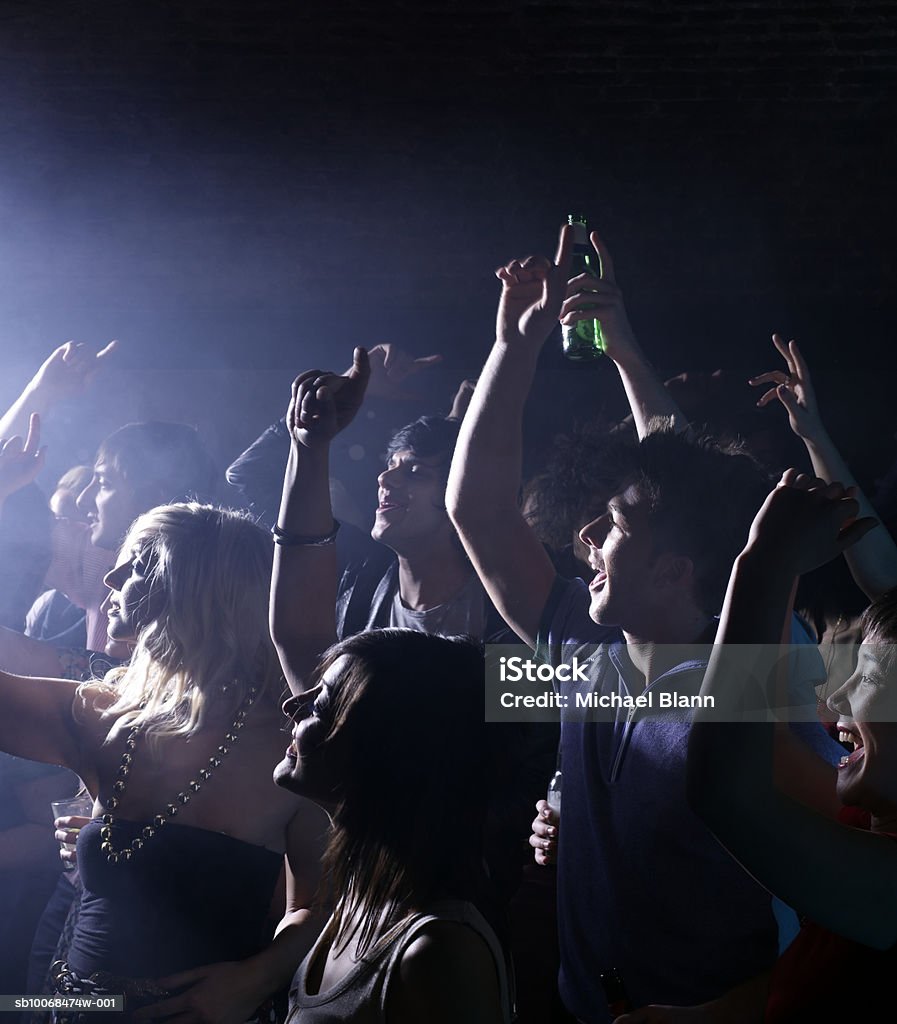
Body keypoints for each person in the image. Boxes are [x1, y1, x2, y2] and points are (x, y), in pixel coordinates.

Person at [445, 223, 838, 1021]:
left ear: (675, 572)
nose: (584, 538)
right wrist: (513, 345)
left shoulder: (752, 690)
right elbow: (478, 512)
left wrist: (719, 1015)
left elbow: (847, 903)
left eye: (613, 528)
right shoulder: (588, 656)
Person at [0, 495, 328, 1020]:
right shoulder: (103, 716)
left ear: (192, 588)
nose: (110, 580)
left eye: (136, 564)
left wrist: (255, 979)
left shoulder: (292, 742)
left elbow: (321, 903)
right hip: (76, 1005)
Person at [686, 470, 897, 1021]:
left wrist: (764, 564)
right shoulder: (861, 832)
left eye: (870, 677)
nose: (839, 702)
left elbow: (724, 790)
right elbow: (767, 739)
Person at [273, 629, 513, 1024]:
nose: (291, 705)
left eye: (321, 703)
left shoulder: (439, 954)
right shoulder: (359, 894)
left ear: (382, 750)